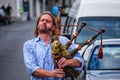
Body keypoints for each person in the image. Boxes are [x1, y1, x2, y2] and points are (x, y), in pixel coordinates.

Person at [23, 11, 84, 80]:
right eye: (42, 20)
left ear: (53, 27)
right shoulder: (29, 45)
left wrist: (68, 62)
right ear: (37, 25)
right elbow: (32, 69)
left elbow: (80, 61)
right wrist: (51, 74)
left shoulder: (63, 40)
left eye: (48, 21)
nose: (44, 22)